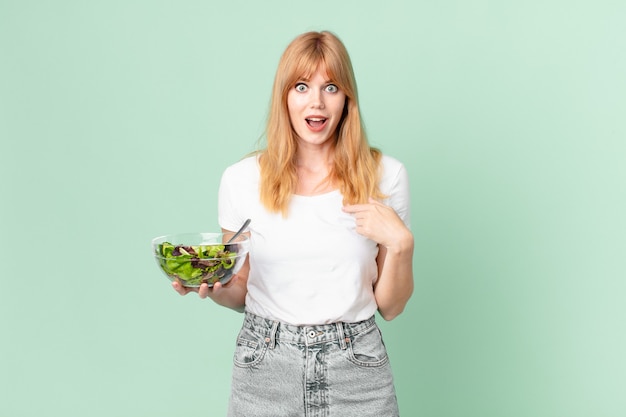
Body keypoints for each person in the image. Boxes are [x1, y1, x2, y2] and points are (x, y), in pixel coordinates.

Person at [173, 30, 414, 417]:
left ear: (347, 99)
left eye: (331, 87)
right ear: (284, 96)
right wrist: (214, 287)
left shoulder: (385, 176)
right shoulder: (241, 180)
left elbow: (391, 306)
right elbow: (240, 290)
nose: (316, 102)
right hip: (265, 365)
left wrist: (402, 245)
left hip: (357, 368)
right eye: (301, 86)